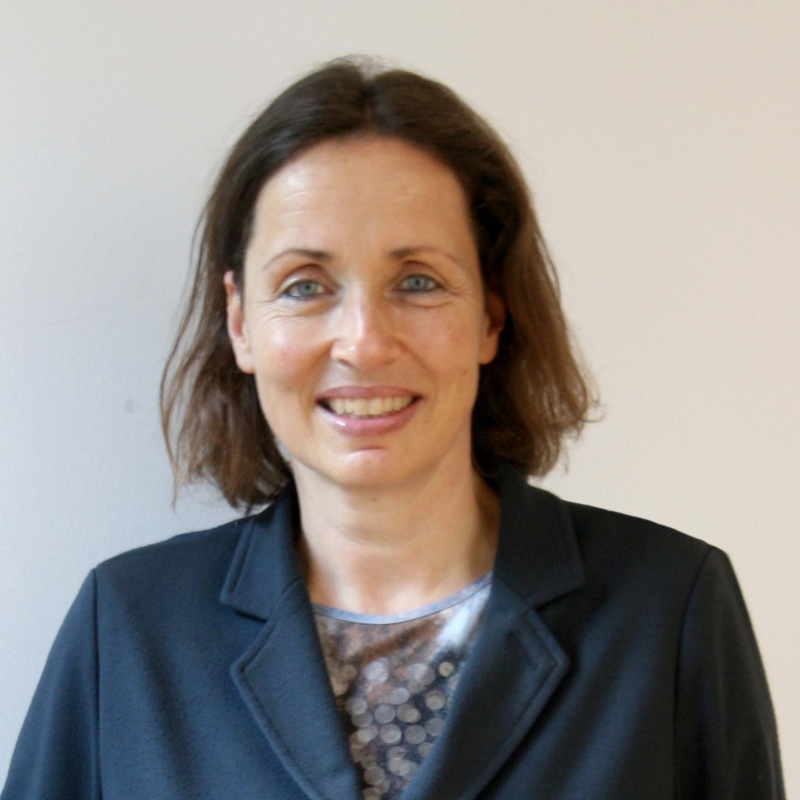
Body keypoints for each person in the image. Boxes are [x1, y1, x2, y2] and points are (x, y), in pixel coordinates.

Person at [2, 57, 784, 800]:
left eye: (417, 281)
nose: (365, 342)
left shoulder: (668, 609)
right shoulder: (129, 627)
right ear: (240, 322)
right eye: (304, 285)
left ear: (491, 316)